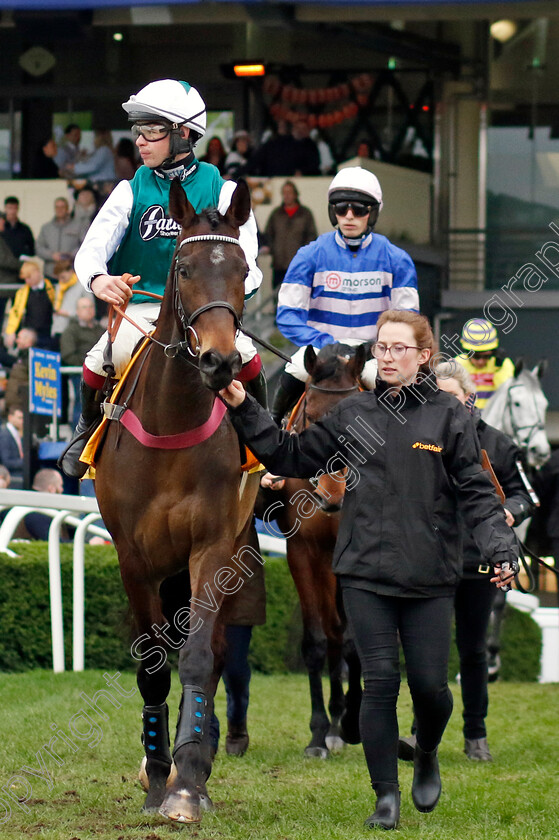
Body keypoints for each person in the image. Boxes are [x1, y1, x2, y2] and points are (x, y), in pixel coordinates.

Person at [219, 309, 519, 830]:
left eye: (400, 348)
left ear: (424, 356)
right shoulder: (354, 414)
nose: (387, 356)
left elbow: (476, 492)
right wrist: (245, 406)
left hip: (428, 579)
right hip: (364, 574)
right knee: (380, 683)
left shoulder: (452, 419)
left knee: (430, 688)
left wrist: (499, 548)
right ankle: (386, 796)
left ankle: (425, 750)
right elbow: (290, 455)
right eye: (381, 347)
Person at [60, 78, 264, 479]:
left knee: (249, 359)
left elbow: (251, 267)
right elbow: (89, 253)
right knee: (101, 359)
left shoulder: (223, 191)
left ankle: (259, 436)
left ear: (183, 133)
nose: (140, 141)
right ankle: (86, 431)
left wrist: (220, 304)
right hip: (144, 309)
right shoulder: (128, 190)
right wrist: (100, 280)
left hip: (208, 312)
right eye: (138, 131)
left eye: (152, 131)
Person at [398, 361, 533, 765]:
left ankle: (476, 734)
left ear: (469, 399)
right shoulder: (413, 438)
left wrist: (508, 513)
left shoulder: (497, 443)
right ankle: (424, 735)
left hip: (478, 563)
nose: (444, 406)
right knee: (427, 654)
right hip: (429, 560)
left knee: (473, 651)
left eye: (452, 397)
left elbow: (526, 494)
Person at [271, 166, 420, 424]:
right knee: (294, 368)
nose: (349, 216)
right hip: (321, 349)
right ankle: (273, 429)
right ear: (333, 212)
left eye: (359, 209)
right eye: (342, 208)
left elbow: (407, 321)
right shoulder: (309, 256)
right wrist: (324, 341)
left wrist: (376, 348)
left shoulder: (397, 260)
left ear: (371, 213)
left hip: (373, 355)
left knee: (404, 402)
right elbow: (288, 315)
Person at [263, 181, 317, 290]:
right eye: (284, 193)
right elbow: (268, 235)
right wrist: (273, 250)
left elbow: (312, 236)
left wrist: (304, 255)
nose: (286, 195)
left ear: (296, 194)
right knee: (278, 298)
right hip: (279, 266)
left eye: (289, 192)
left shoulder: (305, 214)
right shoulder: (276, 214)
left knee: (298, 296)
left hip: (300, 266)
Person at [60, 297, 105, 426]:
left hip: (102, 372)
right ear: (77, 311)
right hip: (80, 373)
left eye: (91, 307)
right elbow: (68, 355)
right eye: (84, 307)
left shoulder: (100, 329)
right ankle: (78, 435)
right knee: (82, 404)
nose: (89, 310)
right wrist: (89, 364)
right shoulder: (70, 331)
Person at [455, 318, 515, 409]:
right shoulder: (456, 365)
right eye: (476, 356)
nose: (481, 361)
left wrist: (498, 369)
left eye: (486, 356)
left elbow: (508, 393)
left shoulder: (503, 364)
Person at [4, 258, 54, 350]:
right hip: (29, 334)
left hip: (48, 333)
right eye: (25, 279)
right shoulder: (22, 292)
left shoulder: (51, 287)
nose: (27, 281)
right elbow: (15, 313)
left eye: (29, 277)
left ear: (37, 273)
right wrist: (10, 332)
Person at [35, 197, 83, 280]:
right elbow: (38, 248)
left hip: (71, 273)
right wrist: (52, 255)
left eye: (62, 207)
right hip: (50, 273)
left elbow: (84, 246)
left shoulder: (78, 226)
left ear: (67, 209)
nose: (59, 209)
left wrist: (70, 255)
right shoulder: (46, 228)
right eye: (57, 207)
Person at [4, 328, 38, 414]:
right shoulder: (21, 357)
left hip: (21, 407)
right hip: (13, 405)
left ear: (28, 341)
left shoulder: (32, 359)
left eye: (19, 338)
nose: (17, 340)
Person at [0, 407, 24, 485]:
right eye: (19, 418)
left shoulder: (16, 433)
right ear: (10, 417)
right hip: (11, 476)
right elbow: (6, 461)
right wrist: (25, 462)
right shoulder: (5, 435)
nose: (22, 421)